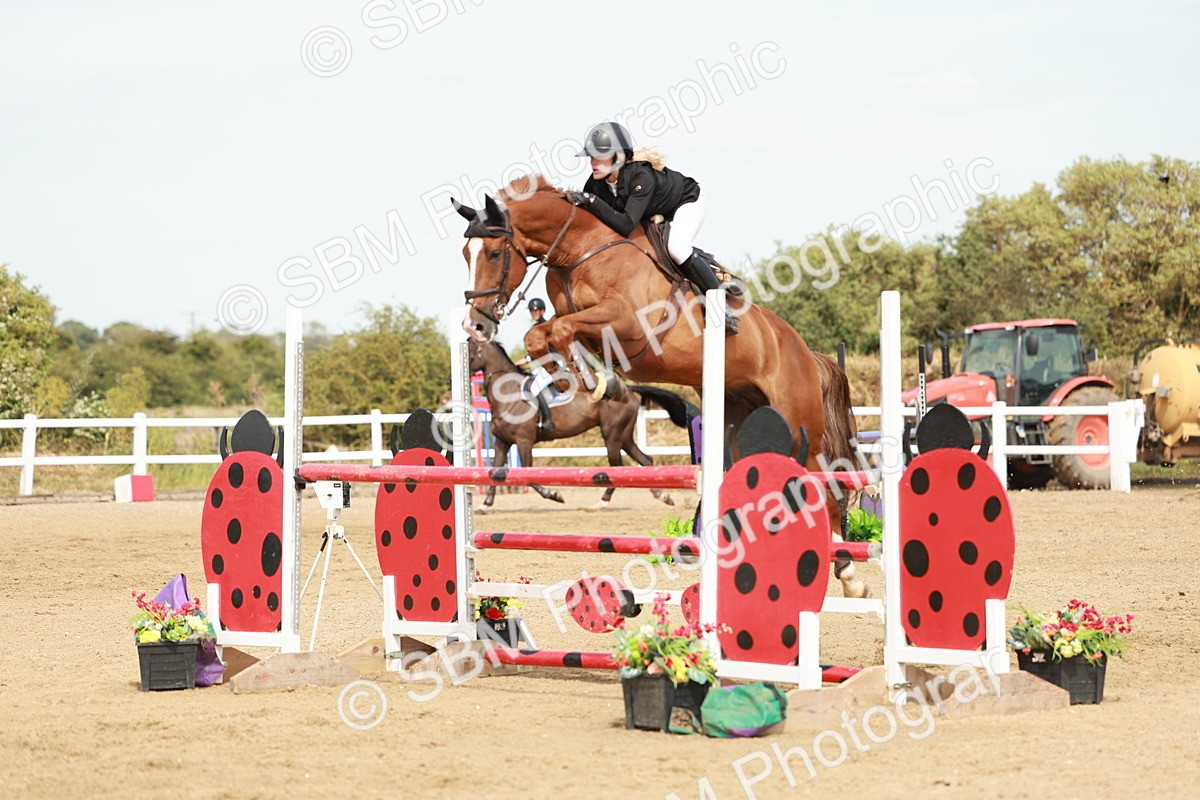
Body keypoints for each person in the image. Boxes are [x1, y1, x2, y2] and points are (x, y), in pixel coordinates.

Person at [564, 121, 740, 334]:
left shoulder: (641, 177)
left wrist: (592, 202)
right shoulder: (595, 184)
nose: (592, 162)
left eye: (599, 157)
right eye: (591, 157)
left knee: (676, 248)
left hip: (685, 202)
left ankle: (721, 308)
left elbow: (626, 224)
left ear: (618, 158)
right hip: (650, 212)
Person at [520, 297, 556, 432]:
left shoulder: (544, 326)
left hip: (554, 361)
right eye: (531, 311)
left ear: (542, 311)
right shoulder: (535, 327)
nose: (533, 313)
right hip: (544, 364)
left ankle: (548, 421)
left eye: (536, 310)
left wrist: (527, 359)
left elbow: (544, 349)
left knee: (535, 388)